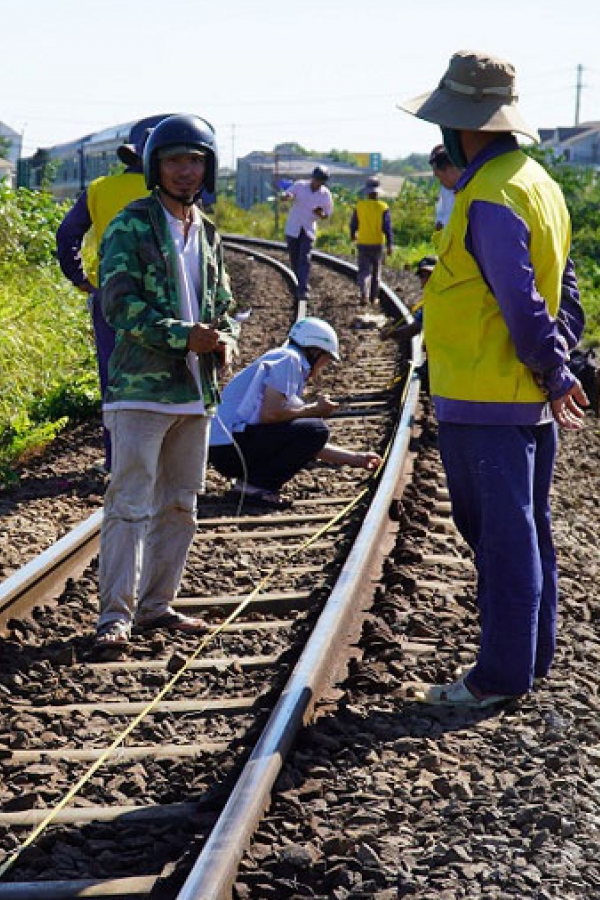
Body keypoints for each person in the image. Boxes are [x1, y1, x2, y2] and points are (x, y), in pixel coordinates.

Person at [398, 50, 589, 708]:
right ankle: (529, 660)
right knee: (527, 530)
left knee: (503, 540)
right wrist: (556, 363)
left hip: (486, 396)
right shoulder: (536, 181)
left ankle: (500, 676)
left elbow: (520, 301)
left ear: (464, 127)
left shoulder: (486, 194)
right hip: (516, 395)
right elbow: (564, 292)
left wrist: (554, 369)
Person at [92, 113, 240, 650]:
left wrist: (225, 339)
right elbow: (117, 304)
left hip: (193, 393)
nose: (185, 171)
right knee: (130, 502)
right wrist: (183, 336)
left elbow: (223, 305)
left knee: (180, 503)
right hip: (139, 390)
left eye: (195, 161)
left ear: (209, 168)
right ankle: (115, 615)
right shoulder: (131, 224)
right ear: (156, 166)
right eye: (175, 160)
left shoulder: (209, 232)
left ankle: (157, 605)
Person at [54, 114, 169, 470]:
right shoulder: (165, 192)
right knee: (165, 374)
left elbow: (67, 235)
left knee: (113, 378)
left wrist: (80, 278)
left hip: (112, 297)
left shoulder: (100, 189)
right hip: (163, 299)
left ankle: (115, 459)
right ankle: (159, 458)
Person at [208, 318, 381, 508]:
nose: (324, 366)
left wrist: (356, 459)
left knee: (313, 430)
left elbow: (299, 439)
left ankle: (252, 485)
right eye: (326, 359)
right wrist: (314, 410)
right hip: (230, 449)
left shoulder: (287, 360)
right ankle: (255, 487)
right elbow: (272, 415)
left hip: (227, 449)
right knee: (316, 428)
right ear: (315, 351)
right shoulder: (289, 359)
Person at [280, 165, 333, 301]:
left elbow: (327, 213)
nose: (318, 183)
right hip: (294, 227)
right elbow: (288, 193)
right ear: (313, 178)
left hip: (308, 229)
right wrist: (287, 196)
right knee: (295, 258)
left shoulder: (325, 194)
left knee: (305, 258)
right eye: (316, 180)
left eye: (321, 181)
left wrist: (321, 214)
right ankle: (300, 282)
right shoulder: (300, 186)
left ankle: (302, 289)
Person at [350, 177, 394, 303]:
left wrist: (353, 235)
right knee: (376, 272)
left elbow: (353, 224)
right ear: (377, 193)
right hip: (378, 243)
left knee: (364, 271)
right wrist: (390, 244)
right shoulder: (383, 207)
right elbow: (387, 227)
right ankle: (374, 297)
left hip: (363, 242)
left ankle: (364, 293)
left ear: (367, 192)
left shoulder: (359, 206)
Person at [430, 145, 460, 231]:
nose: (440, 182)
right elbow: (442, 215)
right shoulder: (446, 189)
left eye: (440, 177)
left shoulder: (470, 190)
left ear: (451, 168)